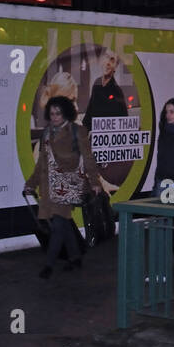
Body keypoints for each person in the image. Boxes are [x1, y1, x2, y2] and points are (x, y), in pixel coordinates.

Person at [23, 96, 103, 279]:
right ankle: (75, 257)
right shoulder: (46, 132)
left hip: (69, 185)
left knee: (58, 224)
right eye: (52, 113)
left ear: (66, 113)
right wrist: (31, 183)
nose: (55, 117)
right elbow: (42, 163)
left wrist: (95, 182)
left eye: (58, 113)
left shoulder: (77, 131)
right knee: (64, 222)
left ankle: (49, 265)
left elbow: (88, 158)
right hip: (49, 186)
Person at [82, 49, 128, 128]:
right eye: (107, 57)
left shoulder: (117, 92)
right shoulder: (97, 83)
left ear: (115, 67)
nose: (108, 63)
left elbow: (123, 123)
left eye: (112, 60)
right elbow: (89, 114)